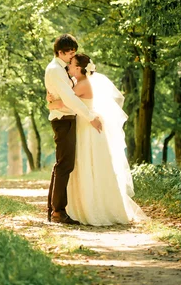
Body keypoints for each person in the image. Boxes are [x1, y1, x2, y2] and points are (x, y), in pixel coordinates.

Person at [48, 53, 147, 226]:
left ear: (78, 68)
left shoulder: (82, 84)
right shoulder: (79, 83)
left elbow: (66, 102)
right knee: (84, 165)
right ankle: (77, 206)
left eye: (71, 65)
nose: (68, 67)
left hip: (86, 128)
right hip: (84, 126)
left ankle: (92, 207)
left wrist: (51, 103)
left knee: (87, 164)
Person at [45, 34, 103, 225]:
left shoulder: (62, 70)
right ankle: (58, 211)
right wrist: (90, 117)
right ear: (60, 52)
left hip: (68, 118)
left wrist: (53, 103)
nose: (72, 56)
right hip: (63, 120)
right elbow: (70, 99)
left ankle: (53, 209)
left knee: (63, 164)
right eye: (70, 52)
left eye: (74, 52)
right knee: (64, 165)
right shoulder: (55, 70)